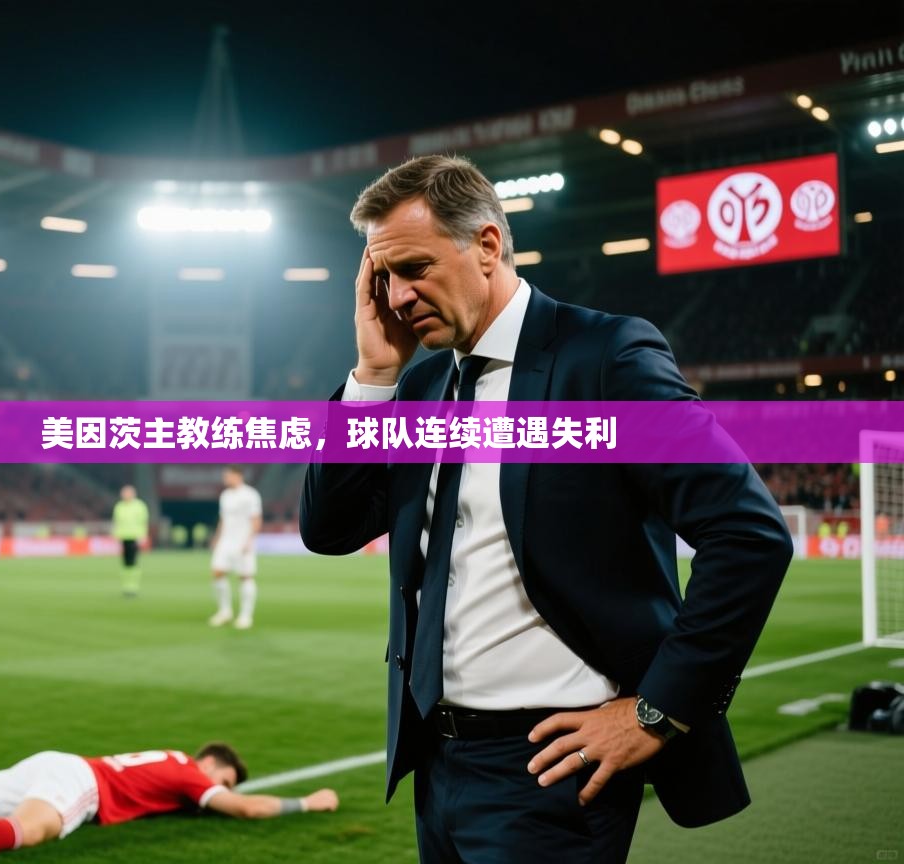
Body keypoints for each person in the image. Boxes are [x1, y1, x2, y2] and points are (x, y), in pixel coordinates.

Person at [300, 155, 793, 863]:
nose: (399, 297)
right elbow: (329, 528)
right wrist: (374, 376)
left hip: (549, 767)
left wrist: (656, 711)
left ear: (487, 245)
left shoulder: (604, 358)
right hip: (437, 765)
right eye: (384, 278)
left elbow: (749, 533)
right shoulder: (422, 387)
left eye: (414, 267)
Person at [0, 742, 339, 863]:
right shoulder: (193, 776)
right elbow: (245, 809)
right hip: (81, 782)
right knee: (36, 828)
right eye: (228, 779)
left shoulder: (169, 758)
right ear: (213, 764)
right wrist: (309, 803)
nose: (226, 789)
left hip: (53, 762)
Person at [208, 466, 262, 630]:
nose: (225, 479)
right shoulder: (225, 495)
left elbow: (256, 519)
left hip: (242, 541)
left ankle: (246, 616)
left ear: (238, 476)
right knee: (217, 572)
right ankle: (225, 611)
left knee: (245, 576)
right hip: (226, 541)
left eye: (228, 476)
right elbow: (223, 519)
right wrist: (217, 538)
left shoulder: (250, 494)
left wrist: (249, 540)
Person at [111, 485, 150, 597]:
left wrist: (143, 536)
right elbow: (116, 522)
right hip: (123, 537)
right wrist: (115, 536)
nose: (126, 495)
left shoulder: (139, 506)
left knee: (133, 561)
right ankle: (126, 585)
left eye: (128, 493)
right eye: (124, 493)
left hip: (134, 536)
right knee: (125, 562)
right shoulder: (119, 506)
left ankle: (133, 585)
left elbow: (144, 521)